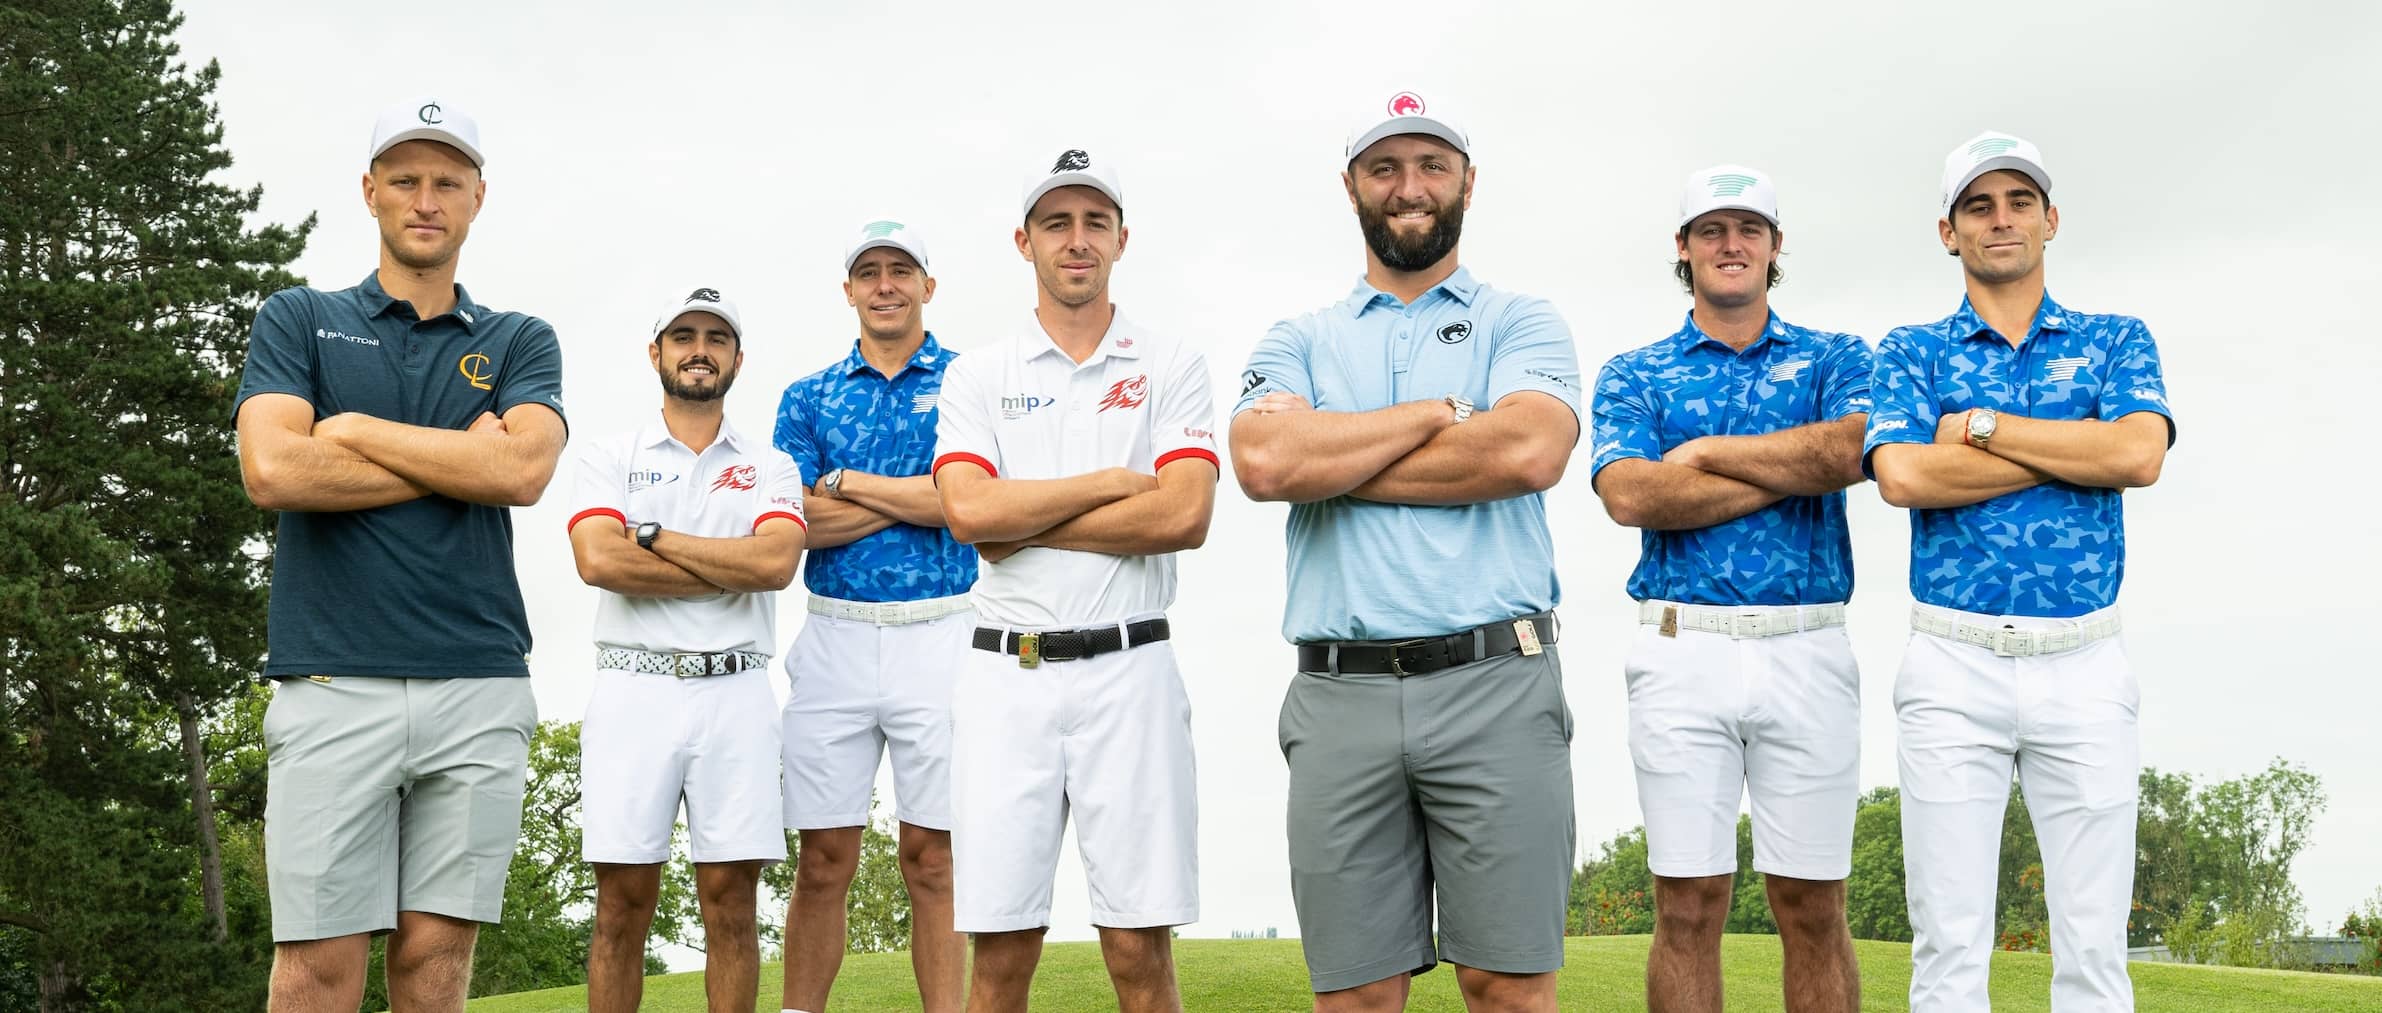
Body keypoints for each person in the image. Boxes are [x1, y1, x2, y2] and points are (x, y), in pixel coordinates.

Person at [1229, 90, 1581, 1013]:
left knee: (1506, 987)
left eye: (1431, 165)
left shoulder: (1523, 320)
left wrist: (1334, 452)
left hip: (1496, 680)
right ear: (1352, 187)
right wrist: (1438, 413)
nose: (1409, 186)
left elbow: (1527, 450)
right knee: (1356, 999)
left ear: (1468, 180)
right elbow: (1266, 462)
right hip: (1340, 691)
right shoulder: (1297, 336)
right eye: (1385, 167)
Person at [233, 97, 566, 1011]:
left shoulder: (518, 338)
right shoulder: (299, 318)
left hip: (478, 680)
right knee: (317, 967)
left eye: (448, 182)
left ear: (477, 199)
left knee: (433, 964)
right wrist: (464, 457)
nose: (427, 198)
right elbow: (273, 468)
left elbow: (526, 469)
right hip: (335, 682)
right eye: (408, 179)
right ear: (371, 191)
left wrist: (358, 431)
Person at [1865, 131, 2175, 1012]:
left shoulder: (2117, 338)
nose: (2000, 220)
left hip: (2084, 660)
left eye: (2018, 202)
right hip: (1952, 661)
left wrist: (1987, 427)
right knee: (1949, 944)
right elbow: (1905, 475)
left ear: (2051, 220)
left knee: (2093, 945)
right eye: (1978, 206)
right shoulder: (1911, 350)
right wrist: (2083, 449)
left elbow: (2141, 454)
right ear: (1947, 231)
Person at [931, 149, 1217, 1013]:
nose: (1077, 240)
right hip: (1004, 674)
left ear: (1123, 238)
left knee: (1137, 948)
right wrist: (1109, 482)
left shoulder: (1171, 362)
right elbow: (970, 516)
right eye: (1057, 222)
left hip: (1130, 667)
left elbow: (1182, 517)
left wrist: (1023, 518)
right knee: (1002, 953)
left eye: (1095, 221)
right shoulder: (979, 372)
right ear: (1025, 241)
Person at [1588, 165, 1871, 1013]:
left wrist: (1705, 454)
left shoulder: (1837, 357)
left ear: (1776, 245)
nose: (1731, 243)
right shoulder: (1636, 371)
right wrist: (1794, 464)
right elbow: (1632, 494)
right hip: (1682, 646)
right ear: (1684, 247)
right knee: (1686, 904)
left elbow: (1854, 452)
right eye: (1711, 229)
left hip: (1808, 642)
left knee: (1814, 906)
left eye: (1749, 228)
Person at [566, 288, 805, 1013]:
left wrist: (655, 536)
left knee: (731, 898)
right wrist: (723, 562)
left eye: (715, 337)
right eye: (683, 335)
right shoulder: (610, 456)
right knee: (621, 902)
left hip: (736, 690)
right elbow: (599, 562)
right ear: (656, 352)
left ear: (737, 358)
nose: (699, 349)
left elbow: (773, 567)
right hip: (632, 689)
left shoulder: (773, 465)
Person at [772, 220, 973, 1013]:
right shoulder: (808, 395)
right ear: (849, 289)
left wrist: (846, 482)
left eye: (902, 270)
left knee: (934, 857)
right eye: (869, 272)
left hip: (945, 627)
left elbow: (972, 509)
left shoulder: (970, 382)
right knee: (823, 856)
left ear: (929, 284)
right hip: (835, 632)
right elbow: (794, 524)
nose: (885, 284)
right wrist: (917, 498)